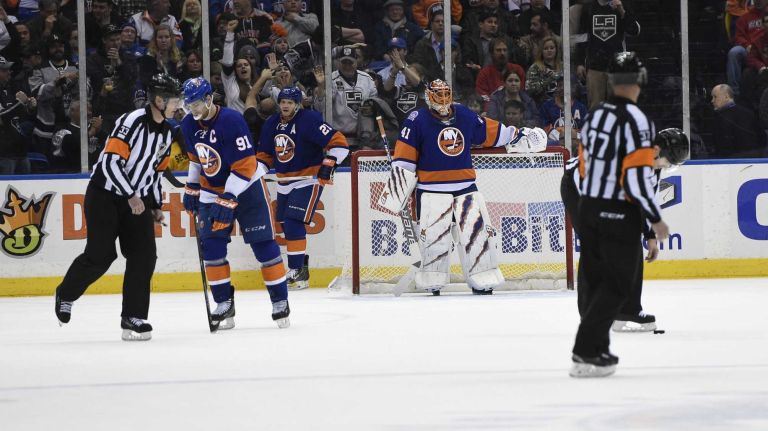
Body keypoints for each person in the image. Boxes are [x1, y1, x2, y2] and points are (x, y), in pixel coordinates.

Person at [379, 79, 547, 295]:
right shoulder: (416, 119)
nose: (442, 101)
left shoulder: (464, 114)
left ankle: (482, 278)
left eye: (445, 95)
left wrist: (517, 135)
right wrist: (398, 189)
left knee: (477, 235)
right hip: (431, 190)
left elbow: (490, 132)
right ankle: (433, 278)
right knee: (435, 239)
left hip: (466, 188)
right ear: (429, 97)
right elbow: (404, 160)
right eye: (437, 96)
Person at [54, 74, 182, 341]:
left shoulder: (168, 131)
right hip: (105, 195)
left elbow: (156, 171)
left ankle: (132, 318)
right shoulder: (131, 121)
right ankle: (66, 293)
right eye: (174, 100)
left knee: (144, 255)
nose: (177, 105)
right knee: (101, 255)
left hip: (136, 198)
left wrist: (155, 204)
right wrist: (132, 195)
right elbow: (111, 162)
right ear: (159, 100)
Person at [569, 52, 669, 378]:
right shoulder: (637, 120)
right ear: (640, 79)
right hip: (617, 210)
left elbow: (583, 164)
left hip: (589, 206)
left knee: (598, 281)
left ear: (610, 80)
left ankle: (598, 349)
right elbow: (636, 178)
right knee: (618, 285)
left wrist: (588, 203)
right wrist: (655, 219)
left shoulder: (595, 113)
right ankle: (585, 350)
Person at [180, 77, 291, 329]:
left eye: (196, 104)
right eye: (189, 105)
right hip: (213, 191)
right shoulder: (188, 124)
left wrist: (229, 197)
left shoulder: (231, 120)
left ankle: (280, 301)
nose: (193, 110)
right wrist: (192, 187)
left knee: (263, 245)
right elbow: (197, 159)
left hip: (247, 186)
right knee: (212, 248)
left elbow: (245, 165)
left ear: (209, 99)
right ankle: (223, 303)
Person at [562, 128, 690, 334]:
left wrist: (650, 237)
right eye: (667, 161)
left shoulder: (652, 166)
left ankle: (628, 309)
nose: (665, 167)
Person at [256, 87, 350, 289]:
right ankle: (301, 270)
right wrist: (254, 173)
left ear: (297, 104)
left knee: (292, 222)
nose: (285, 105)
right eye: (283, 102)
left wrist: (329, 163)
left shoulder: (310, 120)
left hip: (308, 179)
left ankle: (296, 270)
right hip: (283, 182)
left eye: (290, 102)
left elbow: (340, 143)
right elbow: (264, 155)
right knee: (285, 224)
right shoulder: (271, 123)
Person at [574, 0, 640, 109]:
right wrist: (580, 62)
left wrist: (622, 11)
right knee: (595, 108)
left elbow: (635, 31)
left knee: (618, 107)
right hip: (595, 67)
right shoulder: (588, 8)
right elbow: (582, 37)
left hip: (617, 68)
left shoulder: (622, 5)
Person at [710, 83, 767, 158]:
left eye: (715, 97)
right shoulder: (749, 113)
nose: (712, 101)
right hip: (752, 159)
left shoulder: (721, 118)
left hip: (733, 161)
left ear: (726, 96)